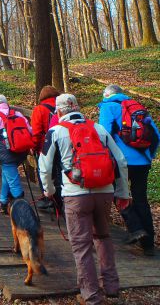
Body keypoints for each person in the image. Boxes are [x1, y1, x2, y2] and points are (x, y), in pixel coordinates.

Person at [39, 93, 130, 305]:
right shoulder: (98, 128)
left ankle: (90, 295)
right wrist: (123, 192)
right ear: (78, 107)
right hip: (105, 191)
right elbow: (121, 160)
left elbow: (44, 166)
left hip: (75, 194)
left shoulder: (56, 131)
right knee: (103, 237)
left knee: (81, 245)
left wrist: (49, 190)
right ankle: (111, 285)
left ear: (59, 111)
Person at [98, 84, 158, 256]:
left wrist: (106, 157)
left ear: (107, 95)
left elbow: (104, 134)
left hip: (121, 161)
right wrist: (149, 156)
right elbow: (156, 135)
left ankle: (136, 228)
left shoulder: (108, 106)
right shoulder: (138, 108)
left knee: (117, 194)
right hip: (143, 162)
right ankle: (148, 245)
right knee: (141, 199)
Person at [31, 85, 61, 212]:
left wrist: (34, 147)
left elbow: (37, 132)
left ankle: (48, 198)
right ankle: (59, 201)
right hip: (62, 145)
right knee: (60, 173)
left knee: (45, 172)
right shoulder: (62, 107)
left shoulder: (39, 109)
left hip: (46, 147)